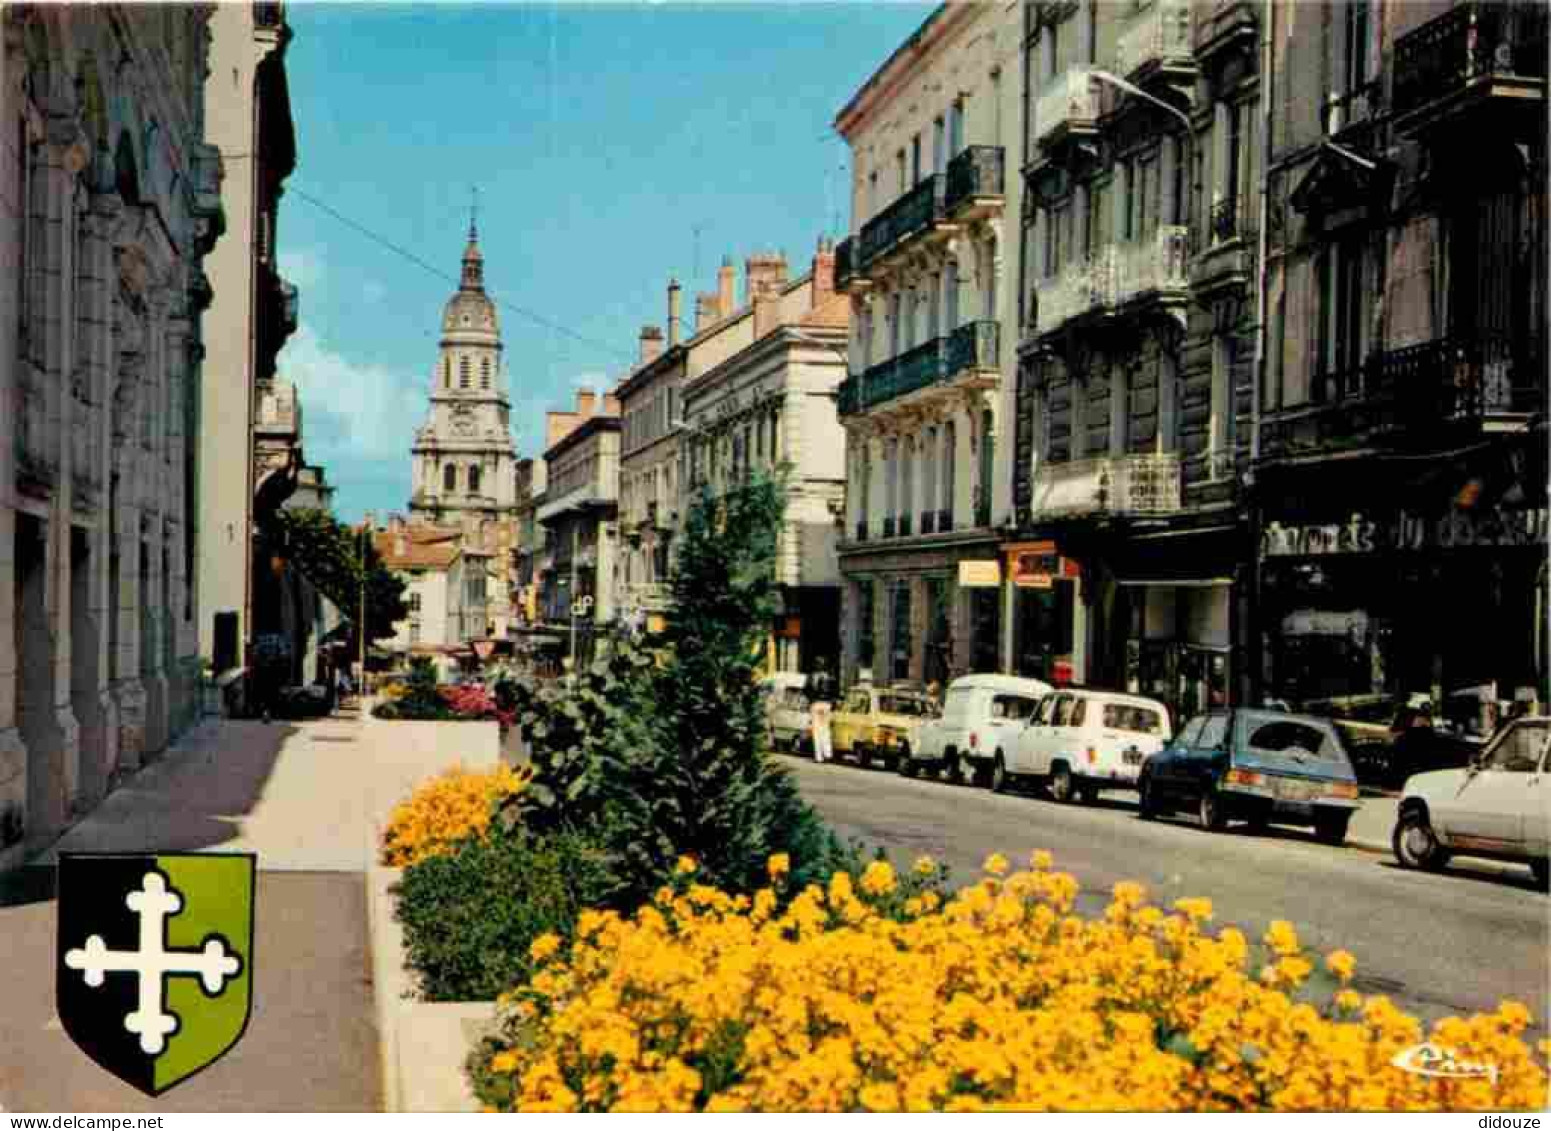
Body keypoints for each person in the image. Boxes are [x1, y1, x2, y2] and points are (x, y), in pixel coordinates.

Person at [805, 660, 835, 764]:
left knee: (817, 730)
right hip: (827, 704)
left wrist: (810, 700)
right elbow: (835, 691)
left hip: (816, 703)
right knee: (825, 729)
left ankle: (819, 757)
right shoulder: (829, 677)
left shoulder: (812, 676)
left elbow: (806, 689)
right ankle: (828, 754)